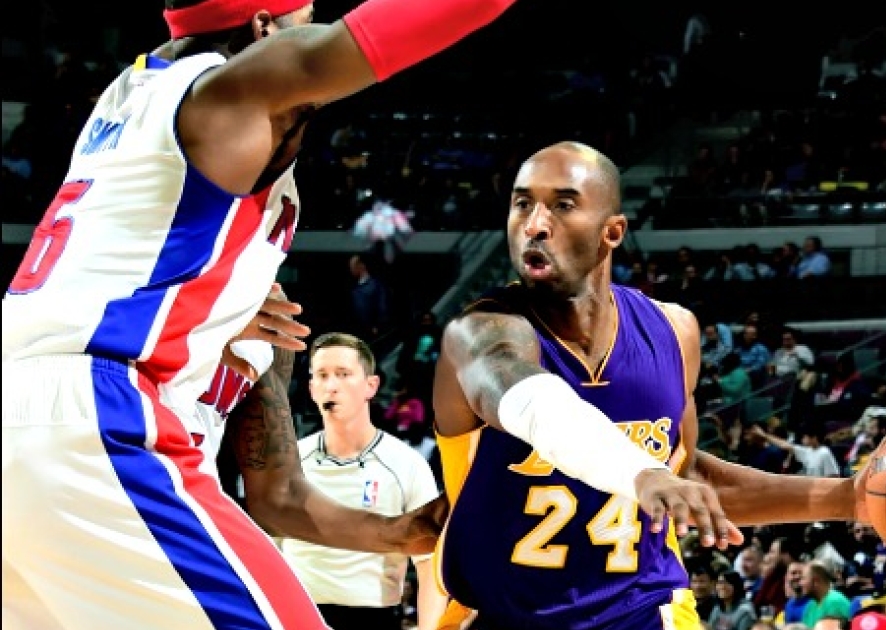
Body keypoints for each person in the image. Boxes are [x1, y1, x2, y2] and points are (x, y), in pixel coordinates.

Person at [1, 0, 516, 627]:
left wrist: (402, 530)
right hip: (94, 417)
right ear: (264, 30)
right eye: (306, 21)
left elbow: (277, 496)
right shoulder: (225, 91)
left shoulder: (133, 106)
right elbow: (374, 38)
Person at [432, 141, 872, 630]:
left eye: (563, 204)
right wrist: (644, 473)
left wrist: (850, 498)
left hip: (646, 610)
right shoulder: (478, 333)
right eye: (522, 204)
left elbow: (685, 482)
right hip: (504, 615)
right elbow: (535, 404)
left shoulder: (675, 332)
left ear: (612, 231)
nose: (534, 224)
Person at [279, 333, 443, 630]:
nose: (332, 385)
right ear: (312, 389)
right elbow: (267, 553)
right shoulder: (288, 462)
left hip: (371, 619)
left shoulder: (407, 465)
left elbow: (429, 565)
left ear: (371, 385)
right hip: (297, 615)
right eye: (322, 375)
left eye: (343, 374)